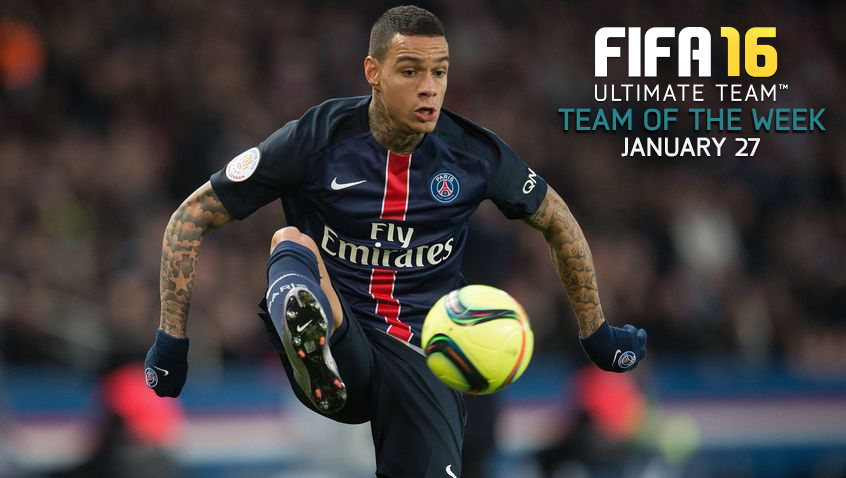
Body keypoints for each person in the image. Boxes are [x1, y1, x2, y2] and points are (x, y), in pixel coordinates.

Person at [143, 5, 647, 477]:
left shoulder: (473, 155)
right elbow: (192, 214)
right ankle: (308, 329)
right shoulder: (316, 139)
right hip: (342, 346)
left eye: (439, 72)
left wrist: (596, 333)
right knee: (290, 242)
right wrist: (171, 339)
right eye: (410, 71)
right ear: (373, 72)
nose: (428, 88)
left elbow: (558, 220)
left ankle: (309, 326)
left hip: (425, 358)